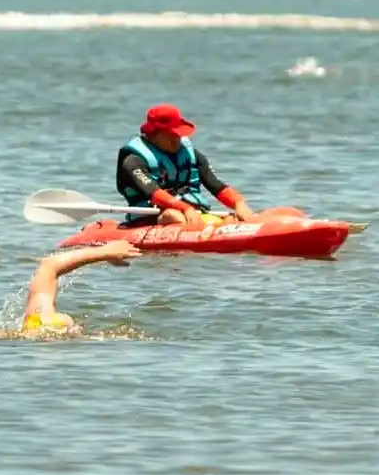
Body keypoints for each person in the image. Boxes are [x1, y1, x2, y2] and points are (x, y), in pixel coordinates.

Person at [116, 104, 255, 228]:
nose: (177, 139)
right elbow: (154, 193)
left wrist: (238, 203)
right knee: (173, 216)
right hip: (150, 217)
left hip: (192, 213)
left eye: (179, 134)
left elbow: (215, 184)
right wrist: (185, 208)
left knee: (232, 218)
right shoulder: (132, 160)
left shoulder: (189, 154)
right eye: (172, 134)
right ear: (154, 134)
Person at [22, 240, 141, 335]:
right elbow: (49, 265)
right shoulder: (39, 323)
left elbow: (49, 265)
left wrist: (106, 253)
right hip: (42, 324)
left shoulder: (32, 327)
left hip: (38, 325)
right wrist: (106, 251)